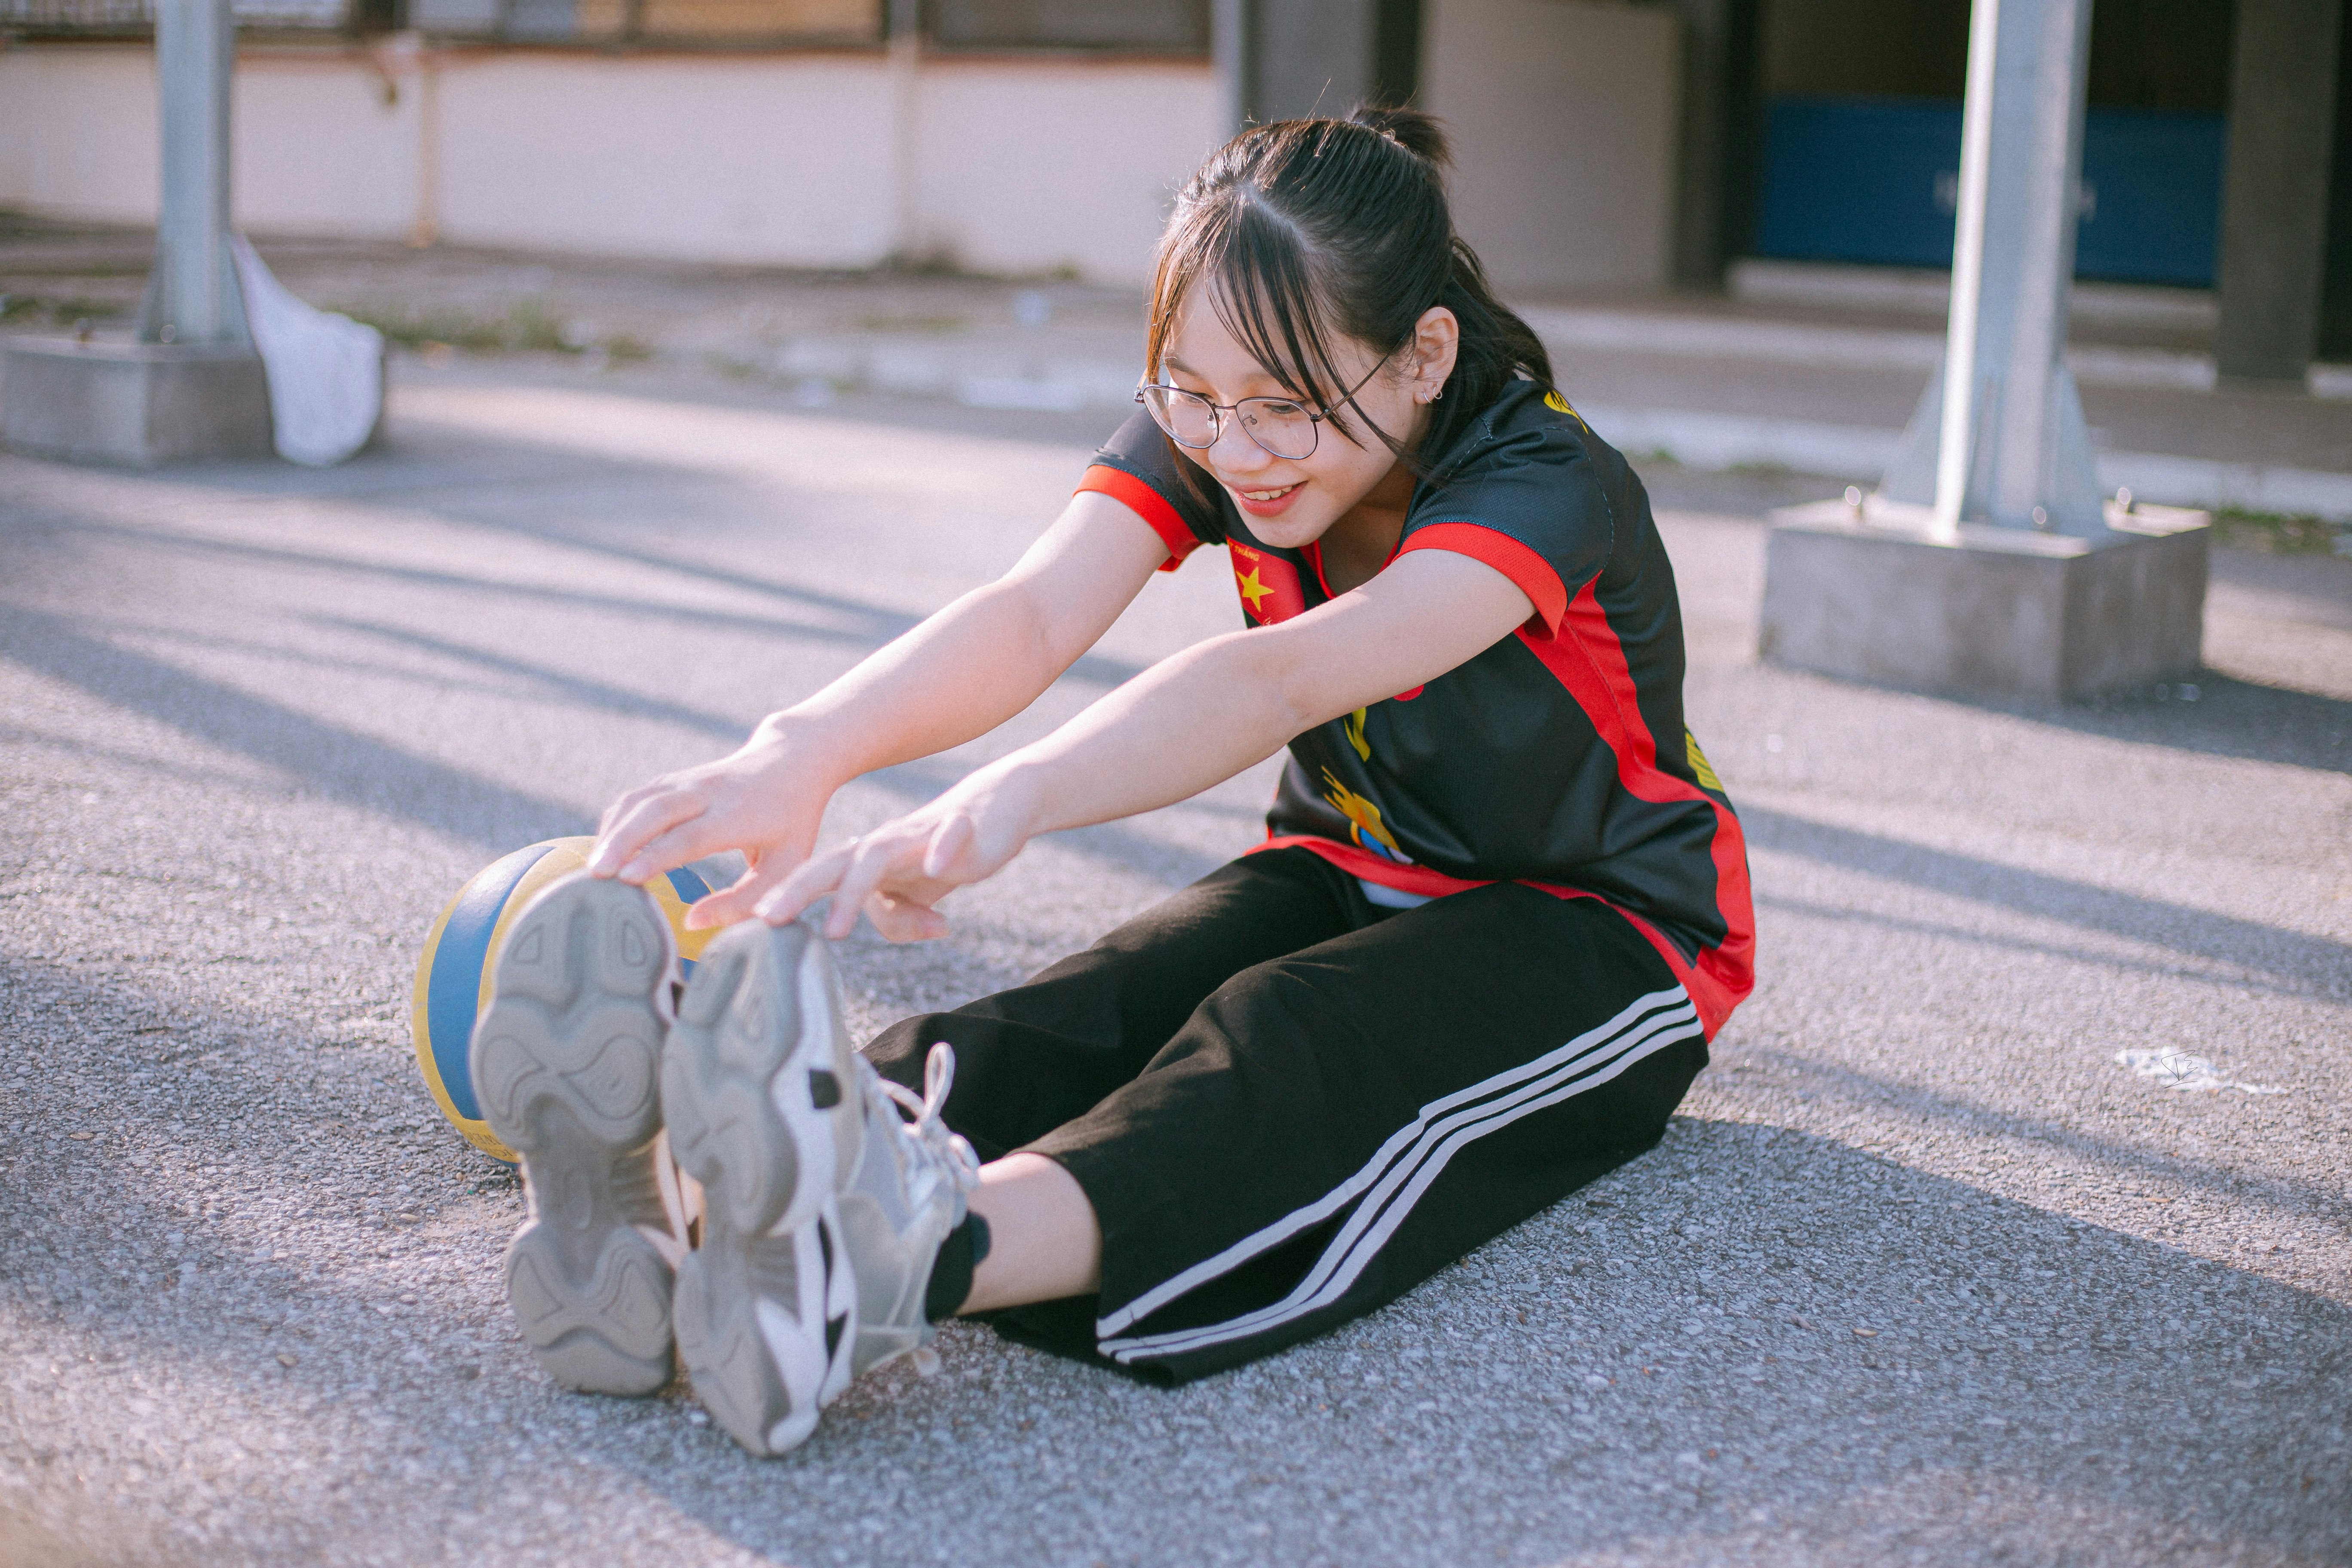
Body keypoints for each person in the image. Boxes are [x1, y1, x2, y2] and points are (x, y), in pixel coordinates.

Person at [469, 107, 1754, 1458]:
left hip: (1609, 933)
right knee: (1095, 1004)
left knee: (1300, 1043)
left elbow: (1282, 682)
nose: (1236, 447)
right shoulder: (1217, 414)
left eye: (1285, 408)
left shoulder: (1543, 479)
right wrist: (803, 751)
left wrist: (1013, 796)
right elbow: (1030, 614)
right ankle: (688, 1183)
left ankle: (904, 1252)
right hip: (1349, 866)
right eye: (1192, 395)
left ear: (1425, 353)